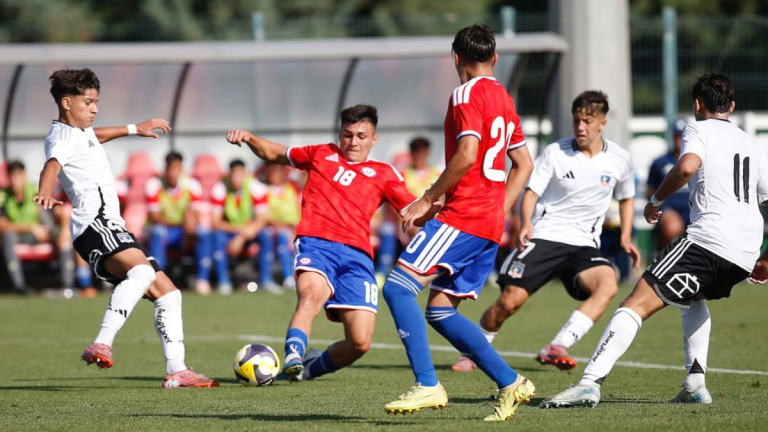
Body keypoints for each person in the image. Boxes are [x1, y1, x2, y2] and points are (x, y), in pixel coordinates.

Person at [541, 73, 767, 408]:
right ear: (731, 107)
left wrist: (656, 201)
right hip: (745, 251)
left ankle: (589, 383)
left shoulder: (698, 128)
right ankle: (694, 385)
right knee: (692, 298)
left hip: (709, 240)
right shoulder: (753, 143)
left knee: (634, 304)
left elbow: (687, 166)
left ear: (697, 105)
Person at [381, 24, 535, 421]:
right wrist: (499, 210)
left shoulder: (466, 93)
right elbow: (524, 164)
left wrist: (428, 198)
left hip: (464, 217)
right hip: (486, 223)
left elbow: (466, 155)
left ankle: (428, 384)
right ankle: (511, 382)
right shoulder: (503, 95)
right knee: (440, 311)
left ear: (456, 58)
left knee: (398, 288)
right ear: (494, 58)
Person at [225, 104, 437, 383]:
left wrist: (443, 205)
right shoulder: (322, 154)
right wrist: (250, 138)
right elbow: (275, 153)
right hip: (316, 243)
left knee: (360, 343)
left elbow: (413, 212)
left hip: (358, 257)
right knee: (311, 296)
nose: (354, 142)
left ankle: (307, 369)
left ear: (374, 139)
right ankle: (293, 356)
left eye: (362, 136)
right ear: (340, 134)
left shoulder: (385, 173)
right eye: (348, 135)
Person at [34, 68, 217, 388]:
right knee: (143, 273)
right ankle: (102, 341)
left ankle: (178, 370)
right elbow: (53, 163)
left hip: (111, 225)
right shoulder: (62, 137)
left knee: (170, 295)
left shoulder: (78, 132)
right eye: (88, 102)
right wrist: (46, 190)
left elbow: (95, 136)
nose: (95, 108)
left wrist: (134, 128)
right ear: (66, 103)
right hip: (95, 224)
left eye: (96, 102)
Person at [450, 91, 640, 374]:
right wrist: (525, 223)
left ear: (602, 122)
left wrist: (625, 236)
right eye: (577, 120)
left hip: (584, 245)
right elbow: (531, 192)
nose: (580, 127)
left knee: (608, 284)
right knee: (508, 303)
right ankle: (474, 350)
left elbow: (626, 198)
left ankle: (558, 345)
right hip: (545, 236)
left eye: (587, 121)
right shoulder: (555, 152)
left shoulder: (619, 160)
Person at [0, 161, 75, 294]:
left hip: (43, 233)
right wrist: (31, 228)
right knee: (7, 236)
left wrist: (63, 228)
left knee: (65, 235)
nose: (15, 180)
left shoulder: (36, 190)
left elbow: (56, 211)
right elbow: (3, 224)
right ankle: (19, 287)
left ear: (25, 176)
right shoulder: (4, 196)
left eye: (18, 176)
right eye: (11, 176)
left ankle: (67, 286)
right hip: (20, 236)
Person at [145, 151, 213, 294]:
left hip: (182, 231)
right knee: (157, 232)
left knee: (204, 232)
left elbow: (196, 215)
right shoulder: (154, 185)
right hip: (167, 230)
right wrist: (181, 224)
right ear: (165, 169)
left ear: (181, 169)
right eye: (170, 168)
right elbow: (155, 217)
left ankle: (202, 280)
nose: (173, 173)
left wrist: (191, 227)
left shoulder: (192, 185)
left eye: (177, 168)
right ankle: (159, 280)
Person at [210, 159, 270, 295]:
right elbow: (215, 222)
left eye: (239, 175)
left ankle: (266, 279)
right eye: (233, 175)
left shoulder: (256, 188)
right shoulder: (220, 189)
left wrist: (241, 237)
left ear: (245, 174)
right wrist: (239, 232)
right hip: (230, 231)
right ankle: (223, 281)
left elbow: (262, 219)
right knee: (217, 237)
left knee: (265, 235)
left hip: (249, 232)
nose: (236, 179)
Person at [647, 119, 690, 250]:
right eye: (677, 136)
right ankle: (661, 259)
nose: (680, 140)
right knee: (672, 226)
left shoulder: (697, 161)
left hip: (693, 207)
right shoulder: (660, 162)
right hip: (670, 207)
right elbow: (650, 190)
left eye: (683, 136)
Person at [260, 162, 301, 291]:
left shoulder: (291, 189)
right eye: (271, 171)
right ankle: (288, 277)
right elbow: (264, 215)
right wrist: (282, 225)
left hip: (294, 228)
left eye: (277, 170)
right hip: (274, 228)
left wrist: (295, 227)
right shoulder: (263, 190)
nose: (274, 174)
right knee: (282, 236)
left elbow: (298, 211)